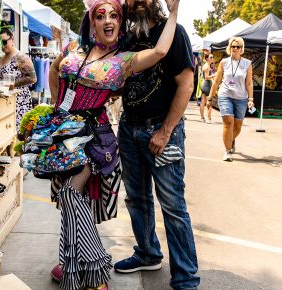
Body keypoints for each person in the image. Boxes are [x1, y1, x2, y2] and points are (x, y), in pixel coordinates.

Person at [47, 0, 180, 289]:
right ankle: (70, 261)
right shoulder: (74, 49)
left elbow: (159, 51)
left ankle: (94, 268)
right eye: (100, 15)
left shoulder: (123, 59)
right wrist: (57, 108)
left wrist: (175, 11)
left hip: (94, 138)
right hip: (63, 135)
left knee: (71, 194)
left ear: (120, 22)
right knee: (69, 201)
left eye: (114, 16)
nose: (108, 20)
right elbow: (55, 70)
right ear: (91, 22)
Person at [113, 0, 200, 289]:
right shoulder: (128, 37)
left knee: (173, 205)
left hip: (162, 130)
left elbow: (186, 85)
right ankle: (148, 253)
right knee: (136, 199)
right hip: (129, 129)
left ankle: (186, 277)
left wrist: (165, 131)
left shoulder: (174, 32)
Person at [207, 37, 254, 162]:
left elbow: (249, 83)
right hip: (225, 95)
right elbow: (217, 81)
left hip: (241, 98)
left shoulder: (247, 64)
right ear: (229, 47)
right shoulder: (224, 62)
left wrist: (251, 98)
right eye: (233, 46)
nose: (235, 48)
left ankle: (231, 139)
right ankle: (227, 151)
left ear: (241, 48)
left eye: (238, 46)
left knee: (238, 126)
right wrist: (210, 98)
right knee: (228, 123)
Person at [0, 21, 37, 131]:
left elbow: (32, 78)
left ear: (12, 39)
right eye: (0, 43)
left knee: (16, 132)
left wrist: (11, 84)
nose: (2, 46)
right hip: (4, 100)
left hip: (19, 101)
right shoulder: (1, 58)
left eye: (4, 42)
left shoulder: (20, 57)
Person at [200, 54, 216, 123]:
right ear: (207, 58)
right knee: (209, 102)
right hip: (207, 84)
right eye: (211, 57)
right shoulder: (207, 66)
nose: (212, 58)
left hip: (204, 84)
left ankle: (202, 118)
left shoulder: (206, 65)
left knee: (203, 102)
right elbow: (207, 77)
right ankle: (209, 119)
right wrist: (214, 75)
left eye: (213, 57)